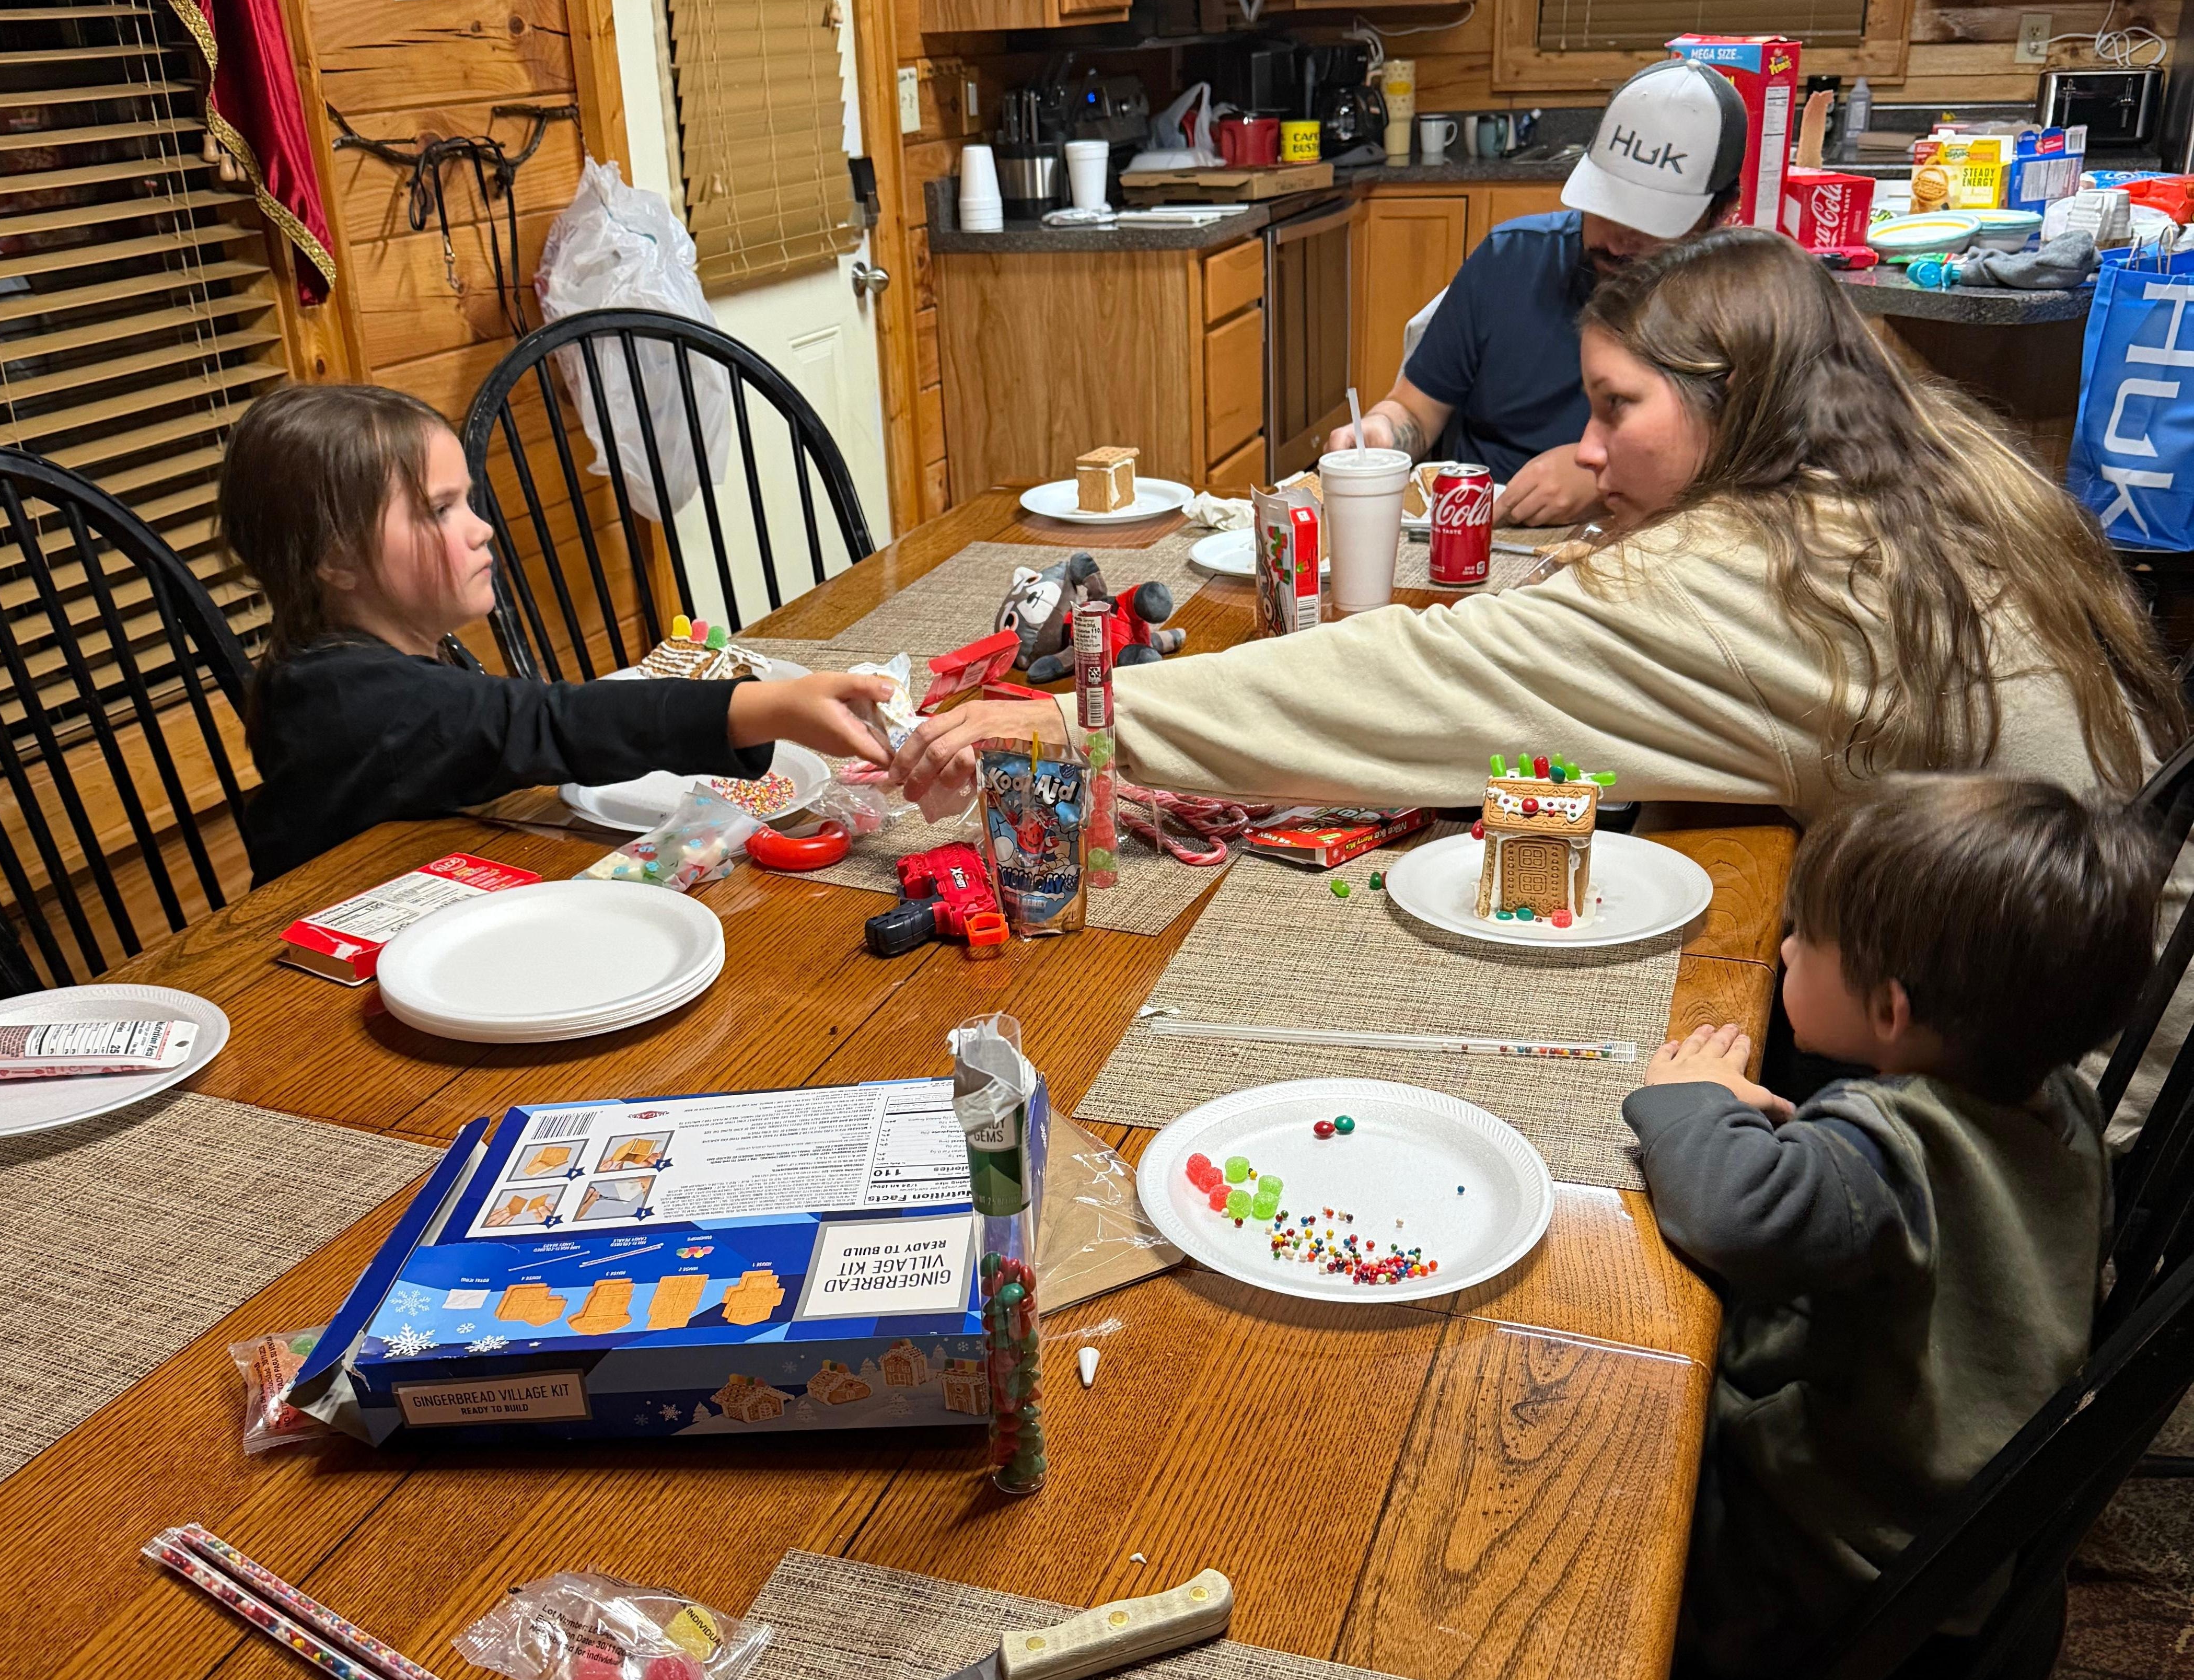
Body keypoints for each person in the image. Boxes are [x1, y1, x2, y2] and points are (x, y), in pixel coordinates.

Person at [888, 228, 2190, 1107]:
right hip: (2111, 1004)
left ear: (1738, 402)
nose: (1590, 445)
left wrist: (1069, 714)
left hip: (2047, 1094)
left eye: (1619, 408)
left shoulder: (1753, 576)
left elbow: (1408, 682)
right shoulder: (1931, 458)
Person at [1624, 774, 2161, 1680]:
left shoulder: (1886, 1163)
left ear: (1889, 1010)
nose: (1783, 949)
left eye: (1803, 939)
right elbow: (1881, 1205)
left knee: (1605, 1437)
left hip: (1822, 1587)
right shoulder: (2058, 1105)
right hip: (1955, 1554)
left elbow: (1727, 1210)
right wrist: (1785, 1130)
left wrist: (1686, 1104)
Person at [219, 381, 892, 886]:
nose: (481, 527)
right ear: (336, 560)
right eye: (440, 509)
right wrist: (765, 707)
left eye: (468, 500)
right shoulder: (344, 696)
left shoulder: (376, 657)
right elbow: (549, 723)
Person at [1325, 58, 1748, 527]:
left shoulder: (1743, 310)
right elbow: (1413, 410)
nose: (1619, 240)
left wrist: (1607, 477)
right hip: (1481, 529)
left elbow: (1749, 467)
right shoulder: (1510, 261)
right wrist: (1379, 434)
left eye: (1652, 222)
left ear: (1723, 212)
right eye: (1610, 205)